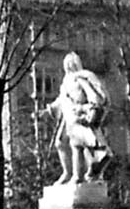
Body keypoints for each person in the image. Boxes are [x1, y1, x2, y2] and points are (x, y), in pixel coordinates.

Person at [47, 51, 111, 184]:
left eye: (70, 63)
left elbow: (95, 96)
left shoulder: (82, 77)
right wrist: (51, 108)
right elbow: (62, 99)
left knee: (77, 145)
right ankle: (68, 172)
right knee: (60, 143)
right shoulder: (66, 81)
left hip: (79, 116)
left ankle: (78, 176)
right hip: (68, 117)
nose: (69, 66)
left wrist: (89, 109)